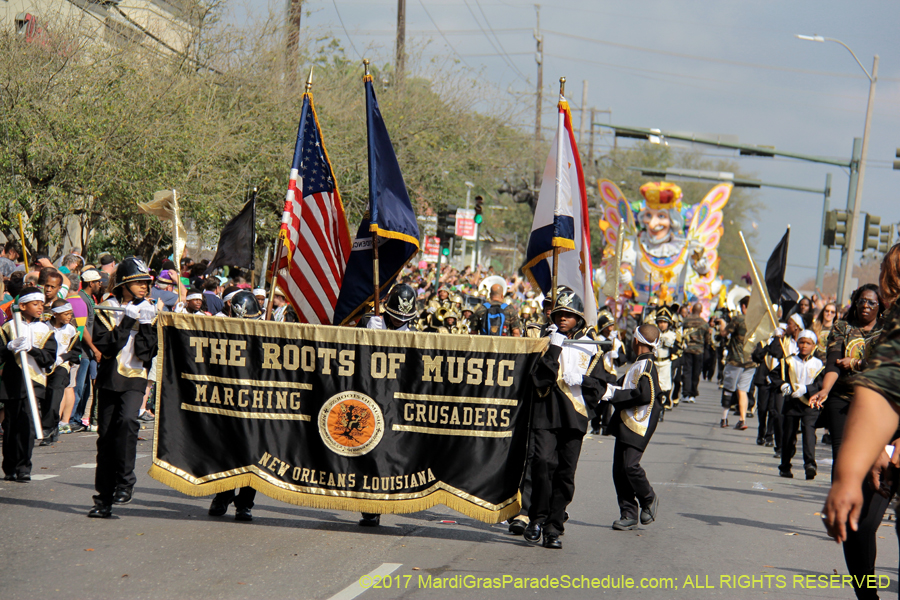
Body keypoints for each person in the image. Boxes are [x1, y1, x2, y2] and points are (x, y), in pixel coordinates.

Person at [822, 244, 900, 600]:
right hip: (864, 421)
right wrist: (851, 473)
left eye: (886, 270)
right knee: (860, 526)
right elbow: (882, 388)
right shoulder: (893, 321)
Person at [523, 290, 606, 549]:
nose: (563, 319)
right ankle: (536, 517)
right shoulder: (545, 340)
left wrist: (583, 380)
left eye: (569, 315)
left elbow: (601, 386)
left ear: (579, 319)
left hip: (575, 417)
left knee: (565, 474)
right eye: (560, 314)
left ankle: (553, 528)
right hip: (545, 413)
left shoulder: (591, 345)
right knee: (542, 464)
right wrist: (554, 346)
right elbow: (538, 378)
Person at [88, 257, 158, 518]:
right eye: (138, 283)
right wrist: (126, 322)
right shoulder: (107, 308)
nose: (144, 288)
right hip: (109, 379)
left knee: (128, 421)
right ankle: (103, 499)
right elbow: (105, 347)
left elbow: (146, 353)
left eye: (146, 283)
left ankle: (125, 482)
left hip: (135, 378)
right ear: (124, 284)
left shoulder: (149, 309)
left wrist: (148, 326)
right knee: (105, 438)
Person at [356, 284, 420, 527]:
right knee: (366, 451)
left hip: (393, 401)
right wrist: (365, 333)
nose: (398, 321)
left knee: (385, 454)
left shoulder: (413, 334)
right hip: (366, 394)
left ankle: (378, 503)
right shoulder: (368, 323)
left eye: (403, 318)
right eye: (394, 317)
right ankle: (369, 505)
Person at [809, 284, 885, 464]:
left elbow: (884, 366)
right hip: (842, 396)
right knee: (841, 453)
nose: (866, 305)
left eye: (871, 303)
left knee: (868, 456)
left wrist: (855, 363)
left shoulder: (887, 331)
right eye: (862, 301)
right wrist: (825, 389)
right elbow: (833, 362)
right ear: (855, 304)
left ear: (880, 306)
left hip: (874, 401)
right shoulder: (842, 327)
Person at [600, 323, 663, 531]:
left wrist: (614, 395)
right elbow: (624, 384)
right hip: (626, 422)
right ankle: (628, 513)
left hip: (639, 424)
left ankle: (648, 498)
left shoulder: (648, 366)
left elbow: (644, 395)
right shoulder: (639, 363)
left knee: (630, 466)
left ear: (636, 341)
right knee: (619, 470)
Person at [208, 291, 264, 522]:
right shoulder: (221, 329)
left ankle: (245, 504)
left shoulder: (265, 333)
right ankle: (223, 494)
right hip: (228, 401)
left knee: (252, 455)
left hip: (255, 404)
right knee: (226, 452)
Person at [1, 286, 58, 481]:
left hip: (34, 383)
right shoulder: (8, 327)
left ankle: (24, 466)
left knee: (28, 425)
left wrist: (32, 349)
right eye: (35, 304)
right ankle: (9, 466)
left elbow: (50, 358)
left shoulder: (45, 329)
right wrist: (9, 347)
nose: (40, 307)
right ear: (22, 306)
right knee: (11, 425)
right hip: (12, 383)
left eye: (42, 304)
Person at [769, 330, 824, 479]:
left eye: (808, 343)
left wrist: (807, 389)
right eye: (802, 342)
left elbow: (822, 383)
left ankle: (810, 465)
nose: (804, 346)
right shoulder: (788, 361)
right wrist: (782, 385)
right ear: (797, 343)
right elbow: (774, 375)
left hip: (810, 403)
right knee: (789, 435)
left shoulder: (818, 364)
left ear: (814, 346)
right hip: (792, 402)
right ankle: (785, 466)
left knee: (809, 434)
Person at [42, 299, 81, 443]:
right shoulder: (44, 327)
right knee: (45, 396)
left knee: (55, 391)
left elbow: (75, 351)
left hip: (62, 366)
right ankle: (51, 427)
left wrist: (63, 358)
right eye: (65, 314)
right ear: (55, 314)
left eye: (70, 314)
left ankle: (49, 426)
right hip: (45, 366)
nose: (69, 317)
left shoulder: (71, 330)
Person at [719, 296, 756, 430]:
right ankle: (742, 419)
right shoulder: (757, 321)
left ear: (743, 307)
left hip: (735, 360)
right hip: (751, 362)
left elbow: (724, 333)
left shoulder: (738, 319)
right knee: (743, 390)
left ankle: (724, 418)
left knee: (728, 389)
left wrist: (722, 323)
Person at [681, 303, 710, 403]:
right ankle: (693, 394)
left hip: (687, 349)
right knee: (696, 372)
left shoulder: (685, 321)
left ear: (692, 309)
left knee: (687, 371)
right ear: (701, 311)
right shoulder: (704, 323)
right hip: (699, 350)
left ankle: (685, 393)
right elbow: (708, 339)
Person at [654, 306, 681, 416]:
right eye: (660, 322)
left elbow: (679, 350)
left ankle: (662, 409)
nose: (662, 325)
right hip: (655, 362)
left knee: (664, 387)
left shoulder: (673, 335)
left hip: (665, 363)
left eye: (665, 322)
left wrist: (671, 346)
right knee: (654, 386)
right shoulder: (654, 333)